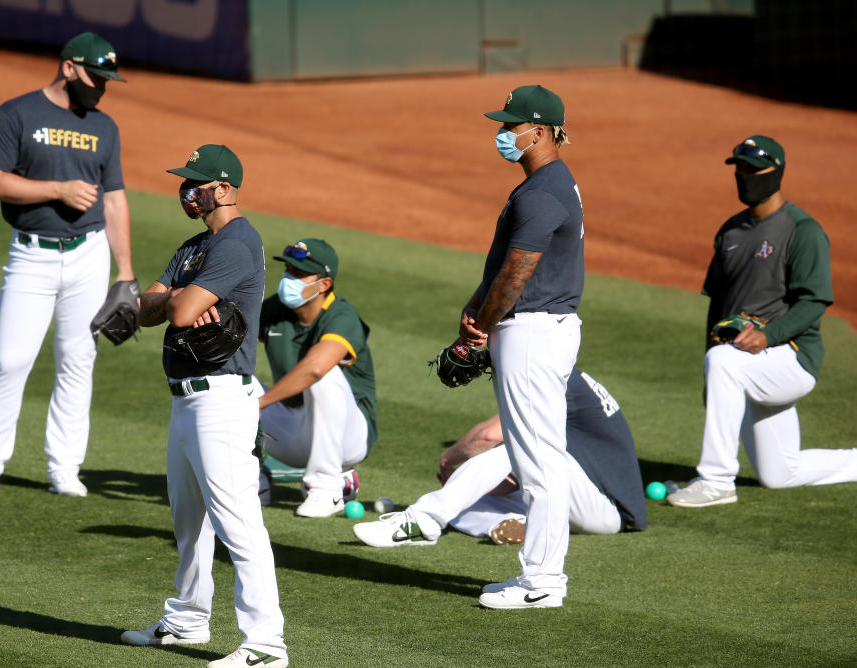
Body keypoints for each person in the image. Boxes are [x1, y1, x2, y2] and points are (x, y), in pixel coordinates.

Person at [120, 145, 287, 668]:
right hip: (186, 402)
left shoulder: (239, 242)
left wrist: (173, 300)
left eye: (194, 183)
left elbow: (178, 308)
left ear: (223, 188)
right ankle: (188, 618)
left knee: (238, 522)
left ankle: (266, 642)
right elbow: (146, 309)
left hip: (221, 399)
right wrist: (170, 300)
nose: (184, 192)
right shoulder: (196, 245)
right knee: (189, 520)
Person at [0, 32, 135, 500]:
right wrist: (58, 190)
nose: (102, 88)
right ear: (69, 67)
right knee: (10, 360)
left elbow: (114, 198)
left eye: (107, 80)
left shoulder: (104, 127)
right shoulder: (16, 114)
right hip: (31, 254)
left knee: (78, 360)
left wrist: (125, 270)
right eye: (96, 77)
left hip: (89, 254)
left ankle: (65, 468)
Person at [667, 136, 857, 508]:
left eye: (753, 169)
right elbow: (718, 304)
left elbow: (813, 303)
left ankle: (717, 480)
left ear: (776, 173)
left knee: (724, 362)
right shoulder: (730, 232)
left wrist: (767, 337)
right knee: (779, 473)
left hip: (792, 357)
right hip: (747, 360)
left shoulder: (802, 231)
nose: (744, 176)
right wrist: (712, 366)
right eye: (739, 169)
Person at [456, 85, 584, 610]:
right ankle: (541, 577)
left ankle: (542, 582)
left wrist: (479, 330)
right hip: (538, 328)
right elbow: (503, 272)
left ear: (542, 130)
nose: (503, 134)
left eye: (512, 126)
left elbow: (514, 277)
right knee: (541, 459)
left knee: (537, 463)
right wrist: (476, 309)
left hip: (533, 331)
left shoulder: (542, 192)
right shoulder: (548, 184)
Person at [354, 369, 646, 547]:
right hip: (580, 498)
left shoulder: (551, 380)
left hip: (605, 510)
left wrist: (448, 458)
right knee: (463, 501)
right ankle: (506, 523)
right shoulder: (561, 374)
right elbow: (510, 466)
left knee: (517, 448)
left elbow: (491, 436)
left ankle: (423, 519)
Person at [257, 238, 377, 517]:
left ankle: (326, 489)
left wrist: (260, 404)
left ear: (324, 284)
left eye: (299, 274)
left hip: (349, 438)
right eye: (288, 270)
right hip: (292, 429)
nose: (289, 279)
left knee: (324, 377)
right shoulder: (276, 310)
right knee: (230, 381)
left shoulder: (342, 316)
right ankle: (251, 482)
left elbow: (316, 368)